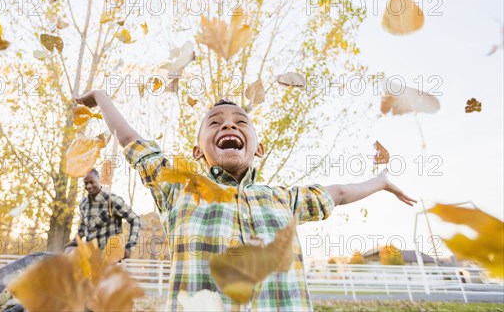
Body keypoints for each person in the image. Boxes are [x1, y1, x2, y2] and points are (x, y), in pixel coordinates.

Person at [74, 89, 417, 311]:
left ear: (259, 148)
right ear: (198, 151)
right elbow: (132, 139)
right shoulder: (178, 188)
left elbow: (339, 194)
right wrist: (102, 97)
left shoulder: (284, 198)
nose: (229, 126)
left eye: (241, 122)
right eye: (215, 123)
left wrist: (380, 180)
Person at [64, 168, 140, 259]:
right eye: (86, 183)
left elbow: (135, 220)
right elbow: (82, 229)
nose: (88, 186)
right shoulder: (83, 204)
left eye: (92, 182)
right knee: (68, 254)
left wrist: (129, 247)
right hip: (91, 257)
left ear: (99, 181)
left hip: (110, 257)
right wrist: (72, 244)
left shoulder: (112, 201)